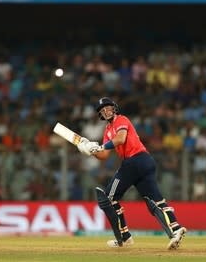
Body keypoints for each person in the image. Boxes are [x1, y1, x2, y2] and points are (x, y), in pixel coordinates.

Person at [76, 97, 187, 250]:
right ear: (100, 114)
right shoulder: (108, 130)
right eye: (102, 110)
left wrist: (99, 147)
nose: (106, 111)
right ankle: (176, 229)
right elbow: (104, 155)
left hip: (135, 160)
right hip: (143, 162)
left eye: (108, 108)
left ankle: (124, 237)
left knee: (108, 198)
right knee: (155, 200)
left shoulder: (121, 119)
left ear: (114, 108)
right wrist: (90, 150)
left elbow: (121, 139)